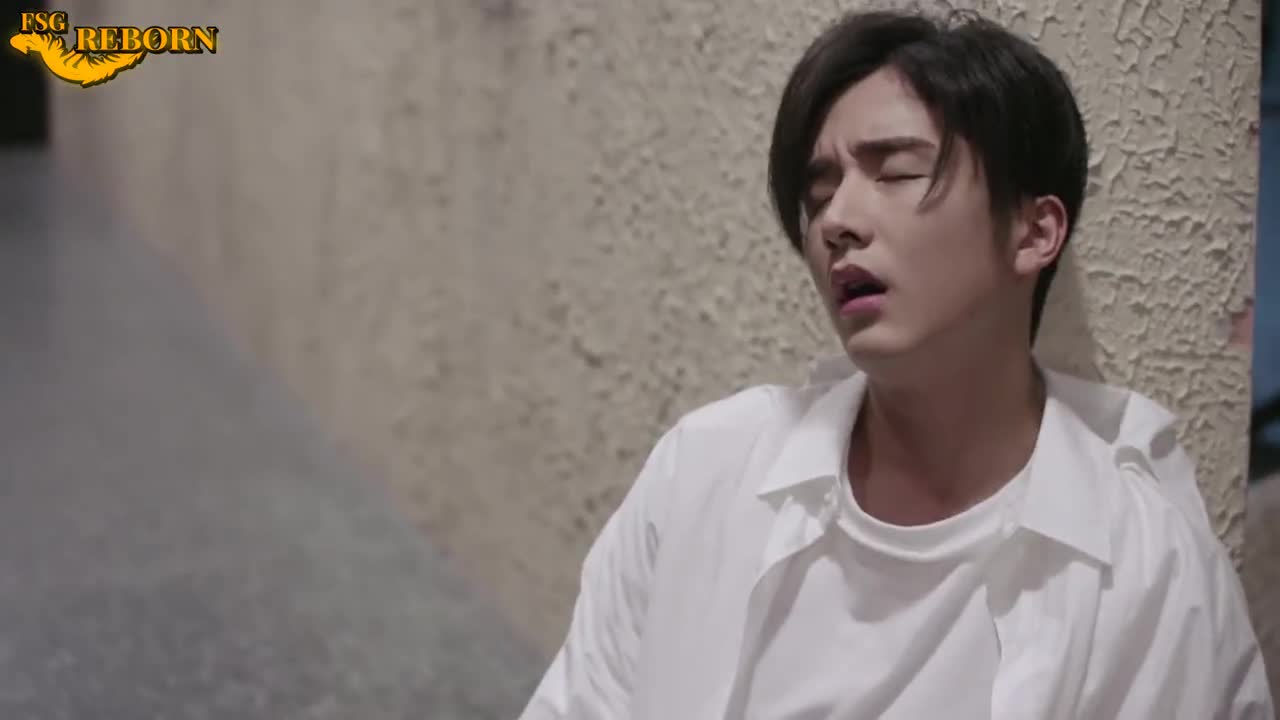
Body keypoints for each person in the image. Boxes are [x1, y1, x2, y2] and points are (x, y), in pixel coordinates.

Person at [519, 8, 1274, 719]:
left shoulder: (1143, 573)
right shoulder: (706, 472)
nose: (838, 221)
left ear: (1033, 232)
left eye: (897, 172)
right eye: (820, 191)